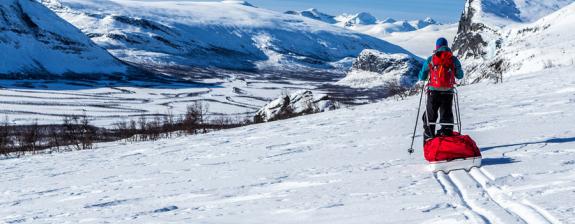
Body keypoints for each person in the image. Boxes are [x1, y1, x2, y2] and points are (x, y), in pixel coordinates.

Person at [419, 37, 464, 143]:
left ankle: (429, 136)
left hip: (433, 91)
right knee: (446, 113)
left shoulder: (431, 58)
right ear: (447, 46)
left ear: (437, 47)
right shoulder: (453, 59)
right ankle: (446, 135)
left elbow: (422, 76)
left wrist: (426, 76)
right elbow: (460, 75)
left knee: (431, 114)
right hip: (448, 91)